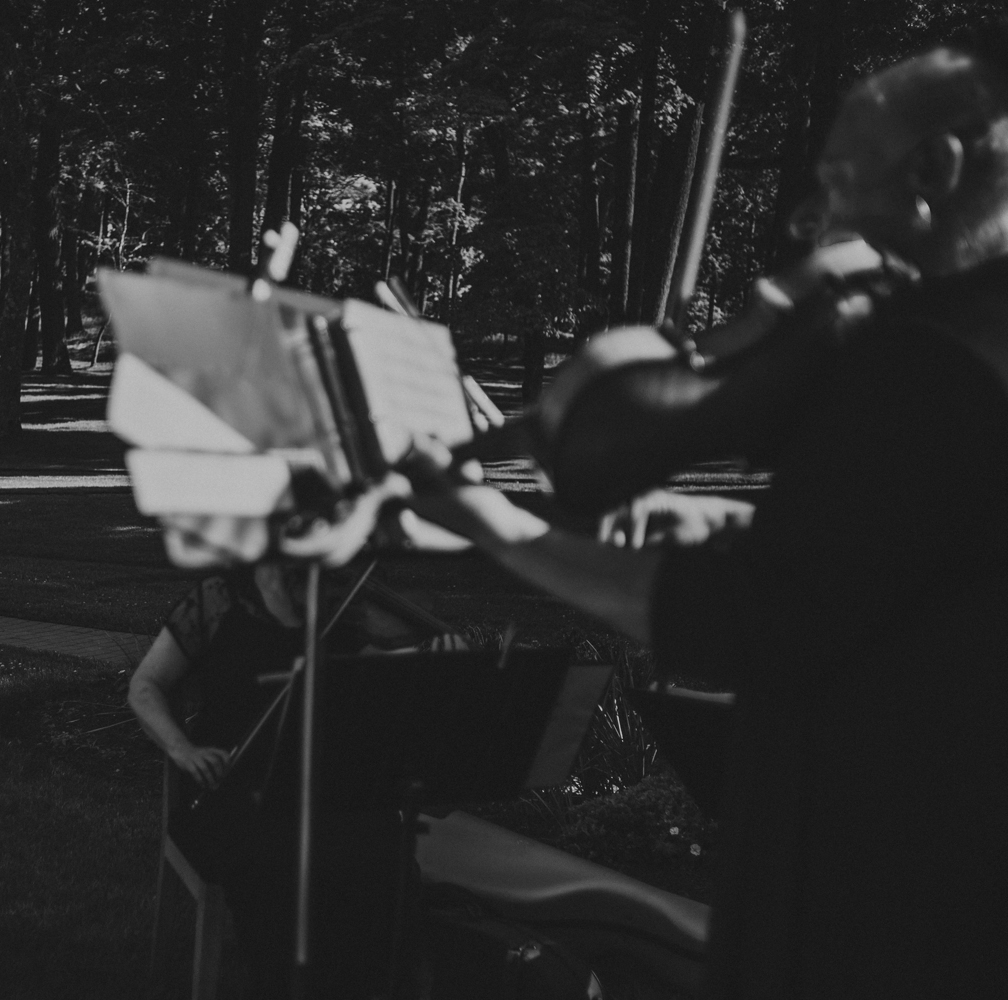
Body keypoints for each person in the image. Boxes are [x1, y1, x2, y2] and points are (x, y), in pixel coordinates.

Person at [397, 25, 1008, 1000]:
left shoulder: (931, 363)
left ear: (934, 166)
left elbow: (745, 618)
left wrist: (491, 523)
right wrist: (722, 525)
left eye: (843, 175)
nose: (817, 217)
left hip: (883, 909)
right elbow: (904, 562)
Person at [129, 563, 457, 998]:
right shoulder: (217, 600)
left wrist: (435, 657)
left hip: (320, 786)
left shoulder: (335, 604)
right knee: (278, 867)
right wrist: (182, 750)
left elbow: (374, 673)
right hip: (232, 790)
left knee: (383, 849)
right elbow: (146, 685)